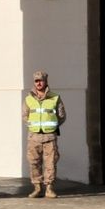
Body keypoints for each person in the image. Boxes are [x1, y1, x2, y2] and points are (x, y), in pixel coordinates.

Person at [24, 70, 66, 198]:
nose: (38, 83)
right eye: (36, 81)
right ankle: (37, 188)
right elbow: (25, 115)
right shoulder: (28, 99)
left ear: (45, 81)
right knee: (34, 162)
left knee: (50, 163)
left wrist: (51, 126)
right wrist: (33, 126)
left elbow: (62, 116)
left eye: (41, 81)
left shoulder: (55, 97)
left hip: (49, 136)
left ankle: (49, 188)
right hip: (34, 137)